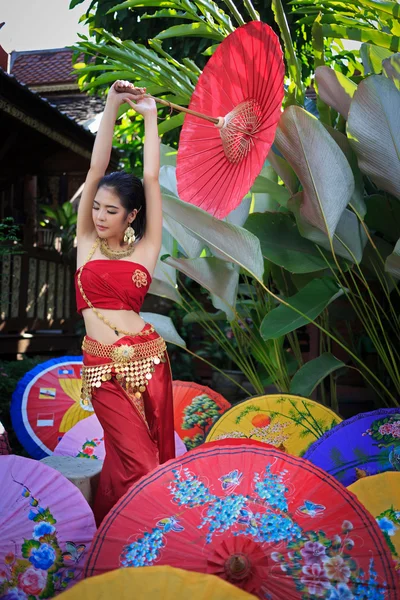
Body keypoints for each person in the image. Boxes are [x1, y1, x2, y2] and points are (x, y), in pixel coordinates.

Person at [75, 80, 175, 526]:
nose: (99, 216)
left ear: (131, 216)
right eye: (96, 208)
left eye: (110, 211)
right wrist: (112, 105)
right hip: (100, 366)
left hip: (148, 360)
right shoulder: (85, 244)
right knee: (143, 465)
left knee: (133, 460)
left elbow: (150, 178)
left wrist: (151, 115)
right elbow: (97, 168)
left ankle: (125, 546)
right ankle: (143, 532)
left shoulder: (146, 249)